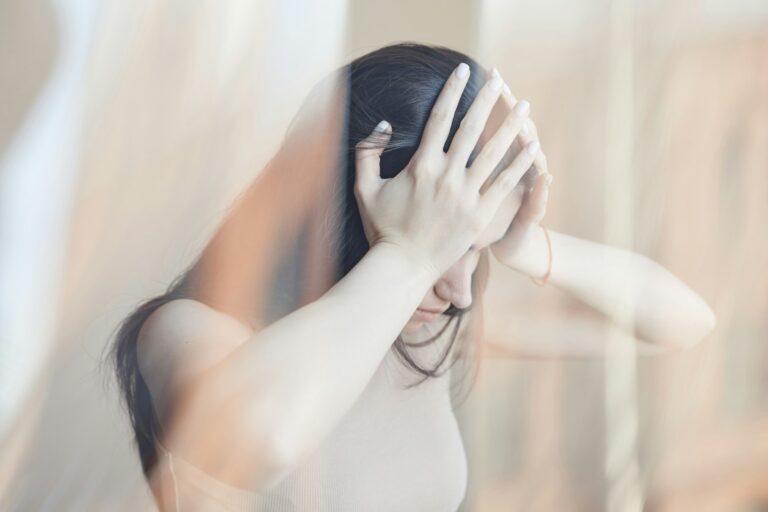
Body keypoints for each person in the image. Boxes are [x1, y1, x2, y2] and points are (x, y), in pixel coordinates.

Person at [108, 42, 716, 511]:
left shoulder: (424, 333)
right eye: (443, 241)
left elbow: (682, 323)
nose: (457, 291)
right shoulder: (183, 332)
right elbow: (263, 442)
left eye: (473, 247)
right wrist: (410, 255)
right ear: (348, 204)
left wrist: (526, 247)